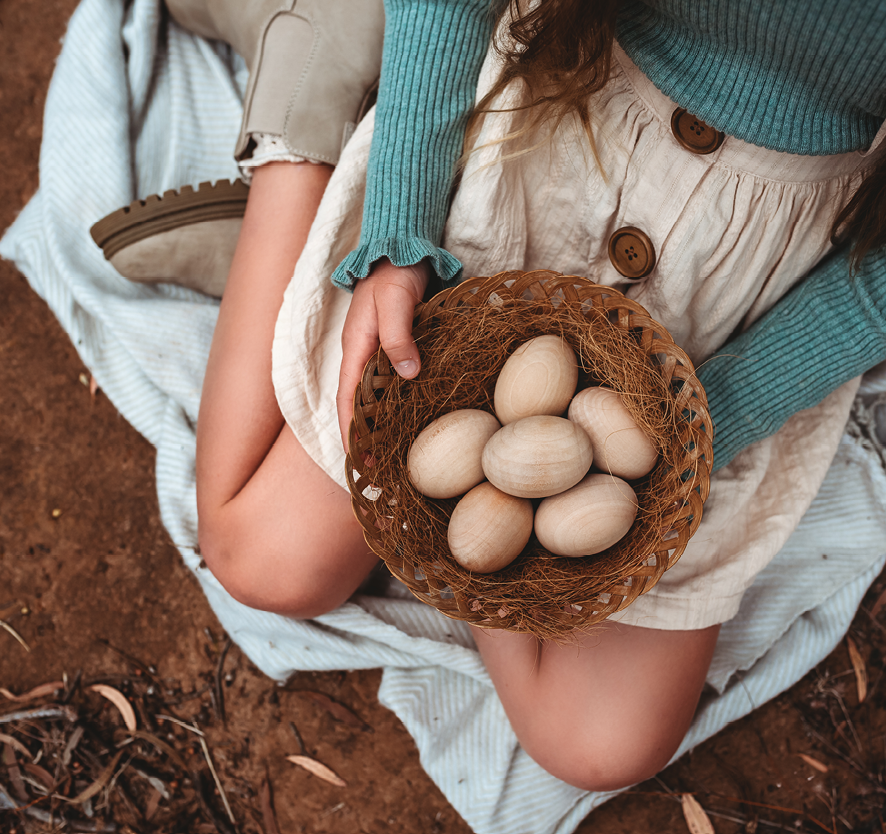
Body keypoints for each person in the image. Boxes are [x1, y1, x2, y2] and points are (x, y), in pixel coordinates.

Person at [93, 0, 886, 792]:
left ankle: (295, 247)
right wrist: (398, 232)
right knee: (262, 562)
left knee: (599, 748)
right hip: (555, 141)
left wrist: (708, 416)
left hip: (744, 281)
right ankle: (304, 121)